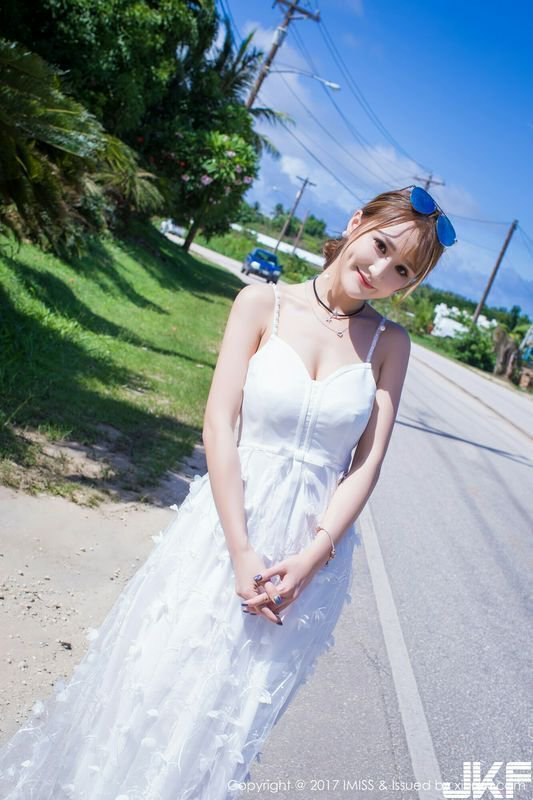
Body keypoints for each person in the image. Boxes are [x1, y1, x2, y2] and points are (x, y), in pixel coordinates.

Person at [0, 185, 455, 799]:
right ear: (356, 223)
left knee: (225, 719)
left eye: (402, 270)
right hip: (224, 529)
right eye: (380, 247)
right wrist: (241, 550)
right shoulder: (261, 303)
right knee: (155, 682)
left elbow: (367, 462)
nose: (380, 271)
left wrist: (312, 558)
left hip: (304, 562)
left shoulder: (390, 345)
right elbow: (220, 424)